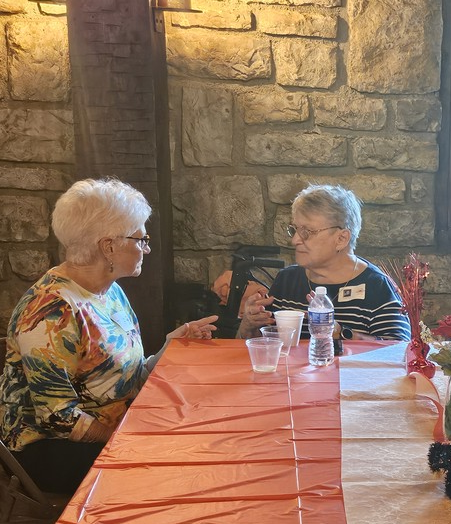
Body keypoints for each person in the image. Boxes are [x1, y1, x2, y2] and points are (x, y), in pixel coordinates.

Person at [1, 178, 218, 495]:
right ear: (108, 246)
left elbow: (121, 377)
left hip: (112, 424)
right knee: (179, 465)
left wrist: (168, 347)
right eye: (140, 239)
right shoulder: (52, 312)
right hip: (49, 450)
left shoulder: (108, 291)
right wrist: (127, 437)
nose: (146, 248)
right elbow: (58, 418)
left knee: (201, 431)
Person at [237, 185, 409, 342]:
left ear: (341, 239)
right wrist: (249, 326)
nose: (295, 240)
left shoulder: (377, 286)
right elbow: (261, 349)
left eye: (307, 231)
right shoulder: (287, 280)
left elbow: (400, 350)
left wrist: (341, 333)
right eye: (294, 230)